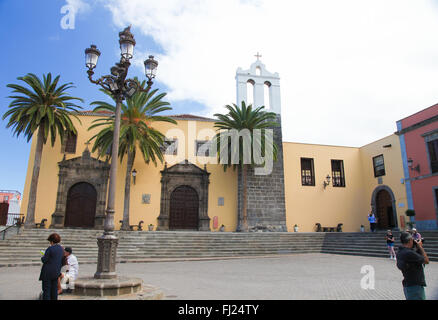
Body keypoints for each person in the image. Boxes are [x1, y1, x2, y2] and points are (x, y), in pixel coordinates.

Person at [396, 231, 430, 300]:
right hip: (415, 287)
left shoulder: (400, 252)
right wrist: (420, 247)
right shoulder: (409, 253)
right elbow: (426, 261)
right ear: (410, 240)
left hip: (408, 285)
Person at [39, 233, 64, 300]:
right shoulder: (61, 249)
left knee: (47, 290)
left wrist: (43, 256)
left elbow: (44, 260)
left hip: (48, 272)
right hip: (56, 272)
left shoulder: (50, 249)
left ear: (52, 241)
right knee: (54, 290)